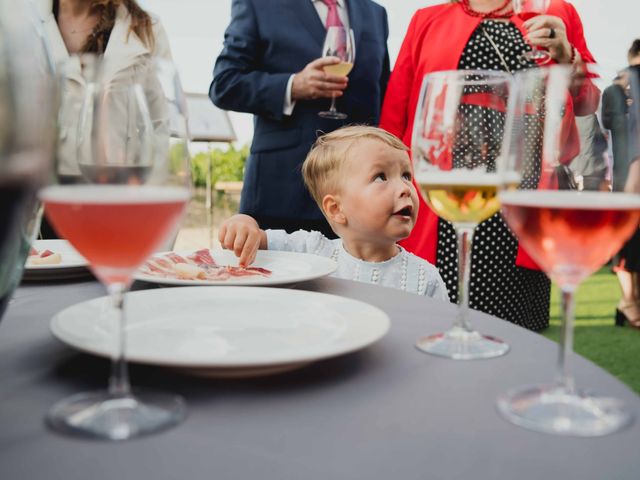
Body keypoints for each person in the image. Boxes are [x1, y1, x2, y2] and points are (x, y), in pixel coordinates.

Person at [379, 0, 598, 331]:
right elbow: (395, 116)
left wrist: (567, 55)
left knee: (514, 327)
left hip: (523, 190)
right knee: (432, 318)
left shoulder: (557, 11)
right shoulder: (428, 19)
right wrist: (387, 185)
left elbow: (588, 102)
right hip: (445, 190)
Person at [210, 0, 390, 239]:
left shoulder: (375, 13)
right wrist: (293, 85)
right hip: (282, 193)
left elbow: (385, 94)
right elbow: (224, 85)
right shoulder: (257, 5)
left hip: (359, 204)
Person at [218, 126, 449, 300]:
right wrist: (243, 222)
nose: (405, 189)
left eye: (406, 175)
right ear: (336, 209)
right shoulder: (313, 251)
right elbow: (259, 238)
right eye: (381, 177)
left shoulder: (425, 278)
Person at [34, 0, 172, 238]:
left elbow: (162, 130)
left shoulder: (146, 27)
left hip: (121, 208)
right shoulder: (20, 22)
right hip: (39, 212)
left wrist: (150, 237)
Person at [614, 60, 640, 328]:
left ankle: (629, 303)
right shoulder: (619, 99)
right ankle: (627, 302)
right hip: (628, 185)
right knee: (627, 248)